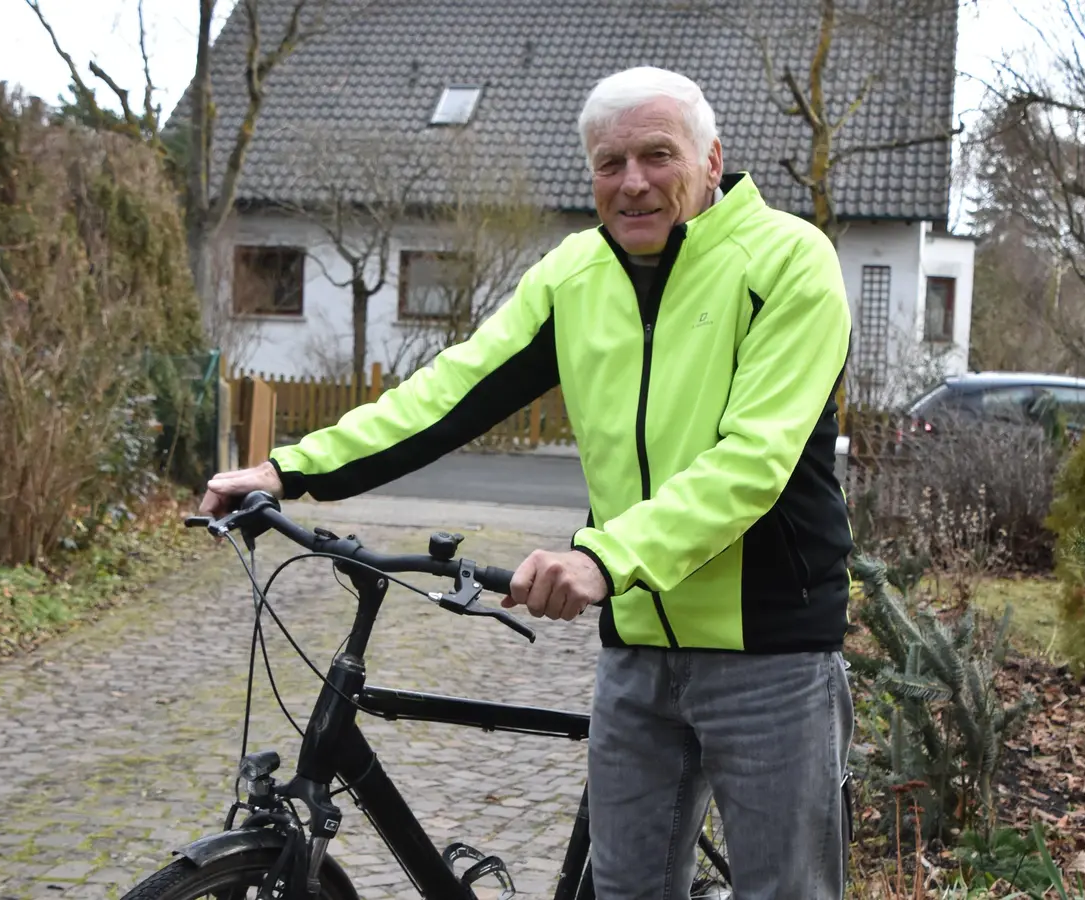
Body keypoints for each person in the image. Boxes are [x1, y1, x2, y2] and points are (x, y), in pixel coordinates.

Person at [202, 65, 855, 900]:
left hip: (770, 647)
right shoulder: (576, 274)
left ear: (712, 158)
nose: (634, 183)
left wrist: (603, 559)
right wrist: (289, 467)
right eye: (609, 165)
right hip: (638, 647)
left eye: (658, 156)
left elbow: (753, 459)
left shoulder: (790, 262)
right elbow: (451, 388)